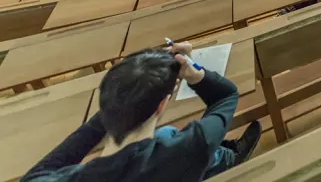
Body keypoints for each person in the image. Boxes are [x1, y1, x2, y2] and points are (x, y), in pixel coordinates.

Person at [24, 42, 262, 182]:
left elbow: (45, 168)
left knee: (166, 133)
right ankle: (229, 158)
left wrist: (124, 95)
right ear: (161, 105)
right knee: (168, 136)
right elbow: (226, 95)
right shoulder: (187, 149)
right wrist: (193, 71)